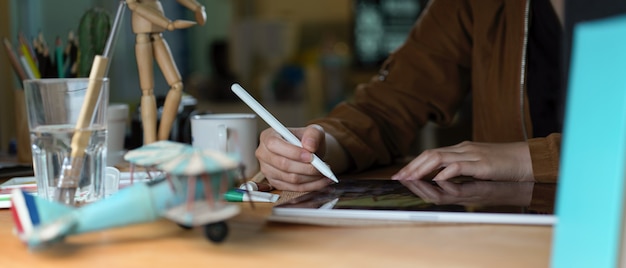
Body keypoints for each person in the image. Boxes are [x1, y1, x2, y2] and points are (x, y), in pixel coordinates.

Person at [255, 0, 565, 191]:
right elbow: (390, 104)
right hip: (509, 237)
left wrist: (531, 158)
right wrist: (321, 145)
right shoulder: (473, 4)